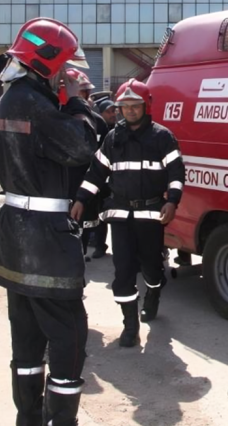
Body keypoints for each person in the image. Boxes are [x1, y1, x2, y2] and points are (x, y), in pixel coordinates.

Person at [0, 17, 98, 426]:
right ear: (49, 63)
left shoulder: (9, 99)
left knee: (28, 341)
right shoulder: (38, 106)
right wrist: (78, 101)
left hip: (16, 239)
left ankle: (28, 418)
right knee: (69, 336)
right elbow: (83, 146)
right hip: (46, 246)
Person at [71, 79, 185, 348]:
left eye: (135, 106)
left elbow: (177, 173)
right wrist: (81, 199)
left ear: (146, 106)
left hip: (151, 214)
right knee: (122, 273)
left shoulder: (162, 137)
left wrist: (173, 201)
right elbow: (96, 173)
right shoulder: (113, 138)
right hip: (121, 215)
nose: (130, 111)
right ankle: (130, 325)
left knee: (152, 267)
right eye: (125, 106)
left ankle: (154, 294)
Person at [65, 69, 110, 262]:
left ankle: (82, 254)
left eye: (85, 92)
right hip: (60, 185)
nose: (83, 97)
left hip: (87, 183)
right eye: (79, 91)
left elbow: (103, 156)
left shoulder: (97, 122)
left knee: (85, 224)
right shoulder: (55, 118)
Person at [88, 98, 118, 259]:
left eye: (114, 111)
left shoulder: (120, 130)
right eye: (109, 111)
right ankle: (100, 245)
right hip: (99, 179)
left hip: (114, 182)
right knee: (99, 215)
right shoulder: (97, 127)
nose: (113, 114)